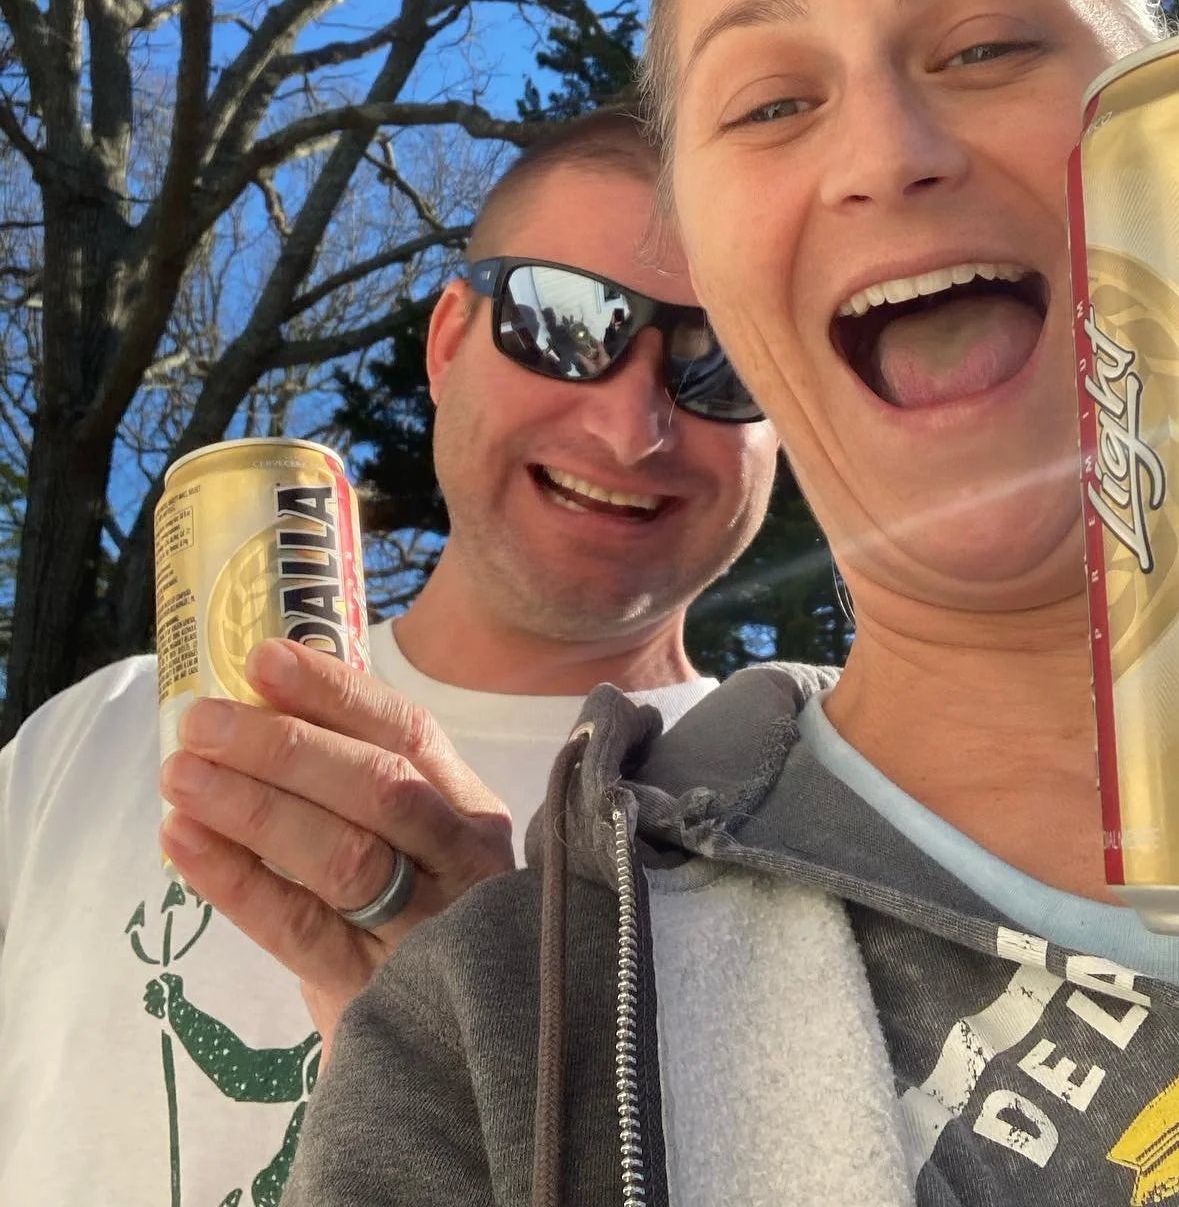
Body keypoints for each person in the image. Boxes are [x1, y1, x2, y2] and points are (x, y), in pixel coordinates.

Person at [284, 0, 1179, 1207]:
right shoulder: (504, 1039)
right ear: (708, 263)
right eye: (769, 105)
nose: (889, 153)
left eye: (987, 47)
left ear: (1160, 126)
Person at [0, 108, 777, 1207]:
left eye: (727, 360)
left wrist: (500, 1023)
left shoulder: (840, 812)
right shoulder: (91, 739)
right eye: (563, 323)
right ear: (449, 341)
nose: (630, 427)